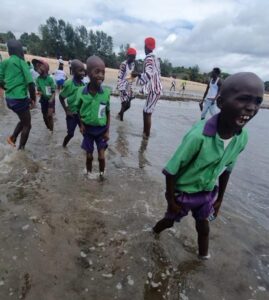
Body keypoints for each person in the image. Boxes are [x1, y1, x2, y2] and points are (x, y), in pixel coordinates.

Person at [153, 72, 264, 260]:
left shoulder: (241, 137)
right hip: (183, 192)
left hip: (207, 193)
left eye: (258, 102)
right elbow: (171, 171)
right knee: (169, 222)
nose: (251, 108)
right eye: (244, 100)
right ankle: (153, 233)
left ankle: (202, 260)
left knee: (203, 227)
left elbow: (227, 169)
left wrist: (219, 199)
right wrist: (171, 199)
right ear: (220, 103)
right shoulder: (198, 137)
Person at [75, 56, 110, 180]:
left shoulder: (106, 93)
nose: (101, 75)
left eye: (103, 72)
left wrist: (107, 130)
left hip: (101, 130)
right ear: (88, 74)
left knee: (101, 157)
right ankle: (88, 175)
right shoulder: (81, 92)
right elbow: (77, 110)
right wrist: (81, 125)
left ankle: (101, 176)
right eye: (97, 72)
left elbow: (108, 112)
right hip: (88, 130)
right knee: (89, 156)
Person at [0, 40, 36, 149]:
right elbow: (31, 83)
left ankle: (13, 138)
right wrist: (33, 99)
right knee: (28, 125)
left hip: (9, 99)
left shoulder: (4, 62)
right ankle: (21, 150)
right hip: (19, 99)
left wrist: (6, 87)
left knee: (23, 119)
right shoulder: (21, 62)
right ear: (20, 51)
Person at [133, 37, 162, 139]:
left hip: (154, 89)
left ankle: (146, 136)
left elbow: (148, 74)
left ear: (146, 46)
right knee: (146, 111)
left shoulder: (149, 58)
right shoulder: (155, 58)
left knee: (147, 112)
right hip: (156, 88)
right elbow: (155, 73)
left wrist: (138, 76)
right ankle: (145, 133)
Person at [59, 59, 85, 147]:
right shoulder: (69, 84)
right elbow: (61, 97)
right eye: (80, 71)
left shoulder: (83, 85)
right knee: (70, 134)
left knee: (85, 133)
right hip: (72, 114)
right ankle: (63, 147)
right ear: (73, 71)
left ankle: (87, 151)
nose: (83, 73)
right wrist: (66, 110)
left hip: (81, 114)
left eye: (83, 71)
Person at [33, 59, 56, 132]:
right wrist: (39, 92)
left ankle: (52, 131)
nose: (37, 68)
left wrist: (51, 99)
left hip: (51, 99)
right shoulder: (38, 79)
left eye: (39, 66)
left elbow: (53, 92)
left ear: (45, 68)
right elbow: (39, 89)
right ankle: (49, 129)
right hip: (43, 99)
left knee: (49, 115)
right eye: (36, 67)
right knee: (44, 116)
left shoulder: (50, 79)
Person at [117, 47, 137, 121]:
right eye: (132, 57)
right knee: (124, 104)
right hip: (122, 86)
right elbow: (119, 77)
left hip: (128, 86)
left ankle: (119, 115)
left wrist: (131, 89)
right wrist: (121, 88)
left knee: (128, 105)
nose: (133, 59)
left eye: (134, 57)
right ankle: (121, 122)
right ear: (128, 56)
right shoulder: (123, 64)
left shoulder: (133, 64)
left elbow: (131, 76)